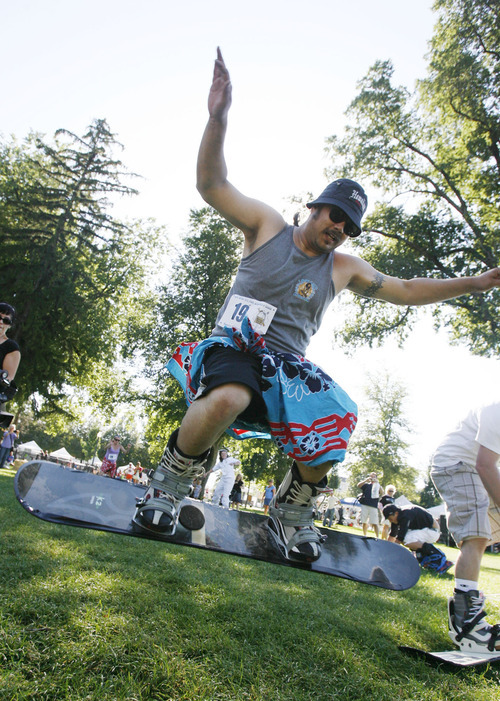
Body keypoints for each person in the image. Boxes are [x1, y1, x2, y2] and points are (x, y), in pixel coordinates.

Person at [134, 48, 500, 563]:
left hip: (288, 368)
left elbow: (408, 290)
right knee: (229, 396)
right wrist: (217, 118)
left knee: (337, 418)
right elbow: (211, 185)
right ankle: (169, 484)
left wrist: (475, 283)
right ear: (314, 206)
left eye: (349, 226)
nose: (339, 229)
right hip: (234, 346)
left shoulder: (342, 268)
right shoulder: (267, 227)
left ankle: (292, 507)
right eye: (335, 216)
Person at [430, 402, 500, 654]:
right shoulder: (498, 411)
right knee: (476, 535)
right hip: (456, 464)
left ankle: (468, 617)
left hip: (473, 467)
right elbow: (485, 464)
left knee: (481, 536)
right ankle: (466, 624)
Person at [383, 503, 453, 574]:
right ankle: (423, 558)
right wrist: (385, 551)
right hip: (424, 530)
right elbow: (392, 535)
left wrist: (389, 556)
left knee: (406, 539)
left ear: (396, 513)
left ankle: (438, 554)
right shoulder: (397, 517)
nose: (390, 521)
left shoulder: (406, 514)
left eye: (390, 518)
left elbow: (399, 538)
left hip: (433, 531)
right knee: (407, 538)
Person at [0, 303, 21, 418]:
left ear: (9, 325)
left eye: (6, 320)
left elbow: (7, 378)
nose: (1, 322)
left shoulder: (11, 348)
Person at [357, 473, 382, 537]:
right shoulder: (366, 485)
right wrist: (366, 480)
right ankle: (364, 534)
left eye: (374, 477)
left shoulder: (377, 486)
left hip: (373, 506)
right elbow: (358, 485)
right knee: (364, 521)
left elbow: (382, 493)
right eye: (371, 477)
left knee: (375, 522)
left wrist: (377, 483)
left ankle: (377, 536)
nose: (372, 478)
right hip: (365, 505)